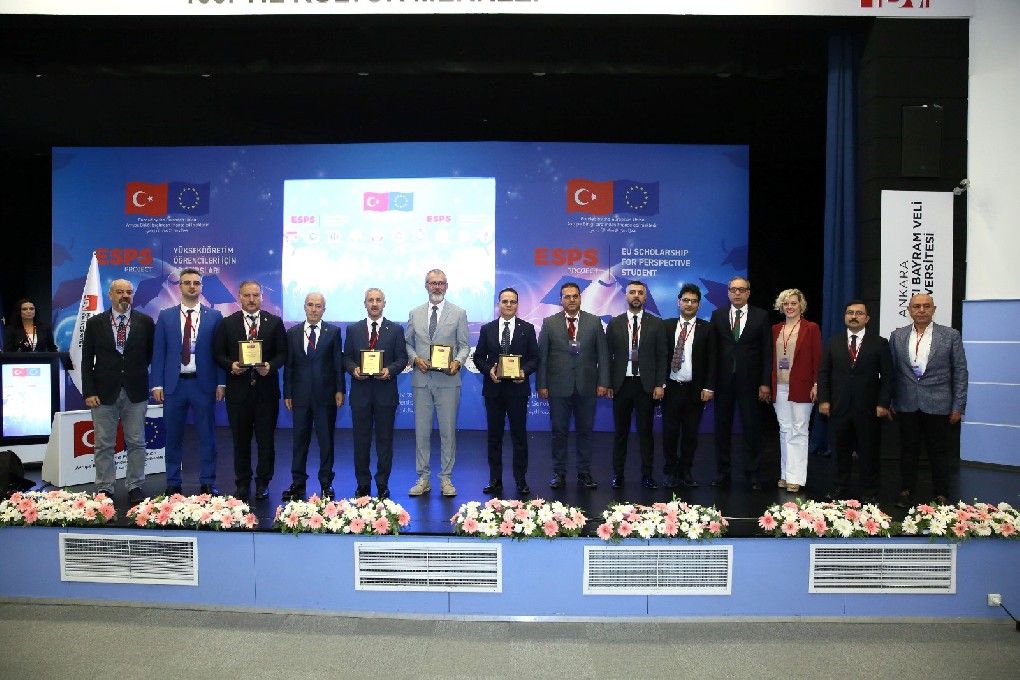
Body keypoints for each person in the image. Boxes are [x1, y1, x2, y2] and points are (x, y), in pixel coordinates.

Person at [151, 268, 226, 497]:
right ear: (180, 286)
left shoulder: (215, 316)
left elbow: (219, 353)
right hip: (174, 386)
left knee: (207, 436)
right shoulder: (165, 316)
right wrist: (157, 384)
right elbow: (159, 352)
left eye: (196, 283)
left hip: (203, 385)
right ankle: (173, 482)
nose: (192, 286)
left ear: (201, 287)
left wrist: (221, 383)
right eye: (187, 283)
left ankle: (207, 482)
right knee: (173, 436)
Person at [889, 293, 968, 507]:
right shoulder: (897, 336)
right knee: (908, 451)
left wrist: (958, 405)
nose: (921, 310)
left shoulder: (950, 335)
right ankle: (906, 491)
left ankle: (941, 494)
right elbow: (891, 372)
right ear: (909, 310)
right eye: (917, 306)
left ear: (934, 309)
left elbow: (960, 372)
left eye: (926, 306)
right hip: (906, 403)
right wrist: (890, 401)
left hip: (939, 404)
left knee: (939, 452)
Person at [79, 279, 154, 503]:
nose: (125, 296)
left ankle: (135, 486)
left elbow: (150, 355)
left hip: (136, 391)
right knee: (103, 444)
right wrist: (89, 391)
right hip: (103, 393)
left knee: (136, 442)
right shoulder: (95, 323)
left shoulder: (146, 321)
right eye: (120, 292)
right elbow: (86, 360)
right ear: (110, 295)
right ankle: (105, 488)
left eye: (129, 292)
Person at [213, 280, 287, 501]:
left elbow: (283, 353)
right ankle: (242, 483)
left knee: (266, 441)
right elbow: (218, 354)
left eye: (256, 295)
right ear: (239, 297)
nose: (252, 299)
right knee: (240, 441)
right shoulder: (228, 323)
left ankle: (263, 482)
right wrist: (231, 365)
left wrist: (271, 366)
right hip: (238, 393)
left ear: (262, 297)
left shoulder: (274, 322)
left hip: (266, 393)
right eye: (247, 295)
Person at [536, 281, 610, 490]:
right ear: (560, 300)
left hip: (587, 386)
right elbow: (542, 357)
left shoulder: (594, 322)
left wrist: (603, 382)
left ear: (580, 298)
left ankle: (584, 472)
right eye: (567, 296)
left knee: (585, 431)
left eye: (575, 296)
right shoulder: (549, 323)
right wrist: (541, 384)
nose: (571, 300)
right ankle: (559, 473)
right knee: (559, 431)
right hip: (558, 387)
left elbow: (603, 355)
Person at [817, 300, 892, 503]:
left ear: (867, 318)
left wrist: (883, 404)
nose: (854, 316)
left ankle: (869, 491)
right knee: (840, 451)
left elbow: (888, 376)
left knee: (869, 451)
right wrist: (824, 400)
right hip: (839, 406)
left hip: (868, 408)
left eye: (859, 313)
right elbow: (824, 373)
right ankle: (839, 487)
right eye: (850, 312)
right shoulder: (833, 342)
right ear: (844, 317)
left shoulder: (879, 343)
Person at [405, 269, 470, 497]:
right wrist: (415, 359)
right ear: (426, 286)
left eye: (441, 283)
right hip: (421, 380)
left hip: (448, 381)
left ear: (447, 286)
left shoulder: (459, 313)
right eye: (433, 283)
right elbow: (408, 343)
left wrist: (458, 362)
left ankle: (446, 478)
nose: (437, 287)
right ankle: (423, 478)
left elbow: (464, 345)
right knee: (422, 433)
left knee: (447, 432)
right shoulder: (415, 313)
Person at [472, 287, 540, 496]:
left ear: (517, 305)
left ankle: (520, 479)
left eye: (512, 301)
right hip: (494, 390)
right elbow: (478, 357)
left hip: (518, 391)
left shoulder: (527, 328)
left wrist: (524, 371)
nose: (509, 305)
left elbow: (535, 358)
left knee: (519, 436)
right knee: (494, 436)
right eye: (505, 301)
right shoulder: (487, 329)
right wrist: (489, 371)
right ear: (498, 304)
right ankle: (495, 479)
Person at [343, 287, 408, 499]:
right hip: (360, 394)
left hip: (385, 394)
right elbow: (346, 357)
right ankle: (362, 484)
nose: (374, 304)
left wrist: (390, 370)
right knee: (360, 441)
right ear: (365, 304)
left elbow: (402, 358)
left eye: (378, 300)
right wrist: (353, 369)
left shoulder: (396, 330)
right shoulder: (353, 330)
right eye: (370, 300)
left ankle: (382, 483)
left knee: (384, 442)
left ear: (384, 304)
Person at [709, 275, 772, 490]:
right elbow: (713, 351)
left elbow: (767, 352)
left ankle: (752, 473)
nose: (737, 293)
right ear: (728, 293)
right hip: (723, 382)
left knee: (752, 428)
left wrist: (765, 382)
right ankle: (723, 472)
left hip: (751, 382)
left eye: (741, 289)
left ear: (748, 293)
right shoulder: (717, 315)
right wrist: (710, 383)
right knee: (722, 429)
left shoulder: (761, 316)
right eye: (733, 289)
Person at [283, 292, 345, 501]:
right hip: (300, 396)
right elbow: (289, 365)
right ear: (304, 307)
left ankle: (326, 482)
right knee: (299, 440)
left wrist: (340, 390)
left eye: (318, 306)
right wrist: (288, 392)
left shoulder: (333, 332)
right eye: (310, 305)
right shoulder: (292, 332)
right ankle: (298, 482)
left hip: (326, 396)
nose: (314, 309)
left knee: (326, 441)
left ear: (324, 309)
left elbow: (338, 363)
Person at [605, 280, 667, 489]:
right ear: (626, 296)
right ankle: (618, 474)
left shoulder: (656, 323)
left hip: (645, 386)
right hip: (621, 385)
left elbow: (662, 355)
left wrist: (660, 384)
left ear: (645, 297)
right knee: (620, 433)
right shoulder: (615, 323)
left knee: (645, 433)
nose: (636, 296)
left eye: (640, 292)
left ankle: (647, 475)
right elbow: (608, 355)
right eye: (632, 292)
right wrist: (608, 383)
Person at [661, 284, 717, 488]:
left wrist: (709, 387)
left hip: (695, 390)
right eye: (686, 300)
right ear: (679, 302)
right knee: (670, 433)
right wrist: (660, 383)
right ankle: (670, 471)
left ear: (699, 305)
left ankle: (685, 470)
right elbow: (659, 357)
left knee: (691, 433)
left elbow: (713, 360)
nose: (689, 304)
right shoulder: (666, 326)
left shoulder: (707, 328)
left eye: (694, 301)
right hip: (671, 388)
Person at [770, 288, 821, 494]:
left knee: (799, 429)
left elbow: (817, 358)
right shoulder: (775, 329)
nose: (789, 307)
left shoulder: (811, 328)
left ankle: (796, 477)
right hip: (779, 387)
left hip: (803, 386)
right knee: (785, 429)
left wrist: (817, 384)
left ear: (801, 305)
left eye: (793, 303)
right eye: (786, 303)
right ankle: (785, 474)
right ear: (781, 306)